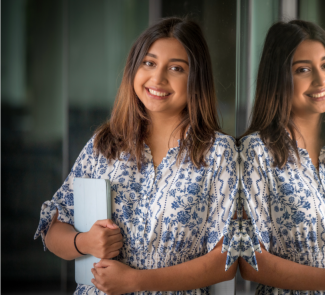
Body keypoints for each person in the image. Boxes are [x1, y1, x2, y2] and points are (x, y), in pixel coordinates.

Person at [34, 17, 238, 294]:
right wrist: (84, 242)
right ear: (134, 68)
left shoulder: (218, 152)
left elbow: (226, 260)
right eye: (149, 63)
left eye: (176, 68)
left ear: (196, 78)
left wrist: (135, 281)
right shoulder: (105, 144)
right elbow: (52, 226)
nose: (158, 78)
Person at [234, 20, 325, 294]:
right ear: (278, 78)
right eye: (303, 70)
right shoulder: (256, 151)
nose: (321, 80)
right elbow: (249, 259)